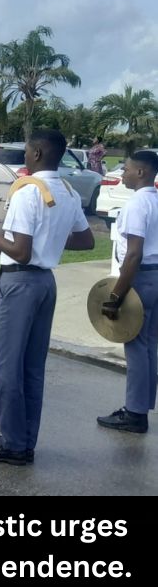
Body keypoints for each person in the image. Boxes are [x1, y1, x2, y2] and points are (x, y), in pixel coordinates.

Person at [0, 128, 94, 465]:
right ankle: (24, 440)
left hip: (20, 284)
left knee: (8, 369)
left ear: (36, 153)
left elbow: (20, 252)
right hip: (45, 284)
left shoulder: (27, 191)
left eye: (27, 150)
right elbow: (86, 240)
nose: (25, 155)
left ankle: (12, 444)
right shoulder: (66, 190)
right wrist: (50, 238)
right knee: (32, 369)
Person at [98, 150, 158, 434]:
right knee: (148, 346)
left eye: (127, 169)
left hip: (141, 277)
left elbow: (133, 255)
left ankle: (134, 414)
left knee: (134, 345)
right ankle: (141, 408)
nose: (122, 174)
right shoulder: (156, 201)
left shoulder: (136, 205)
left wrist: (115, 296)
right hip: (155, 276)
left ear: (141, 173)